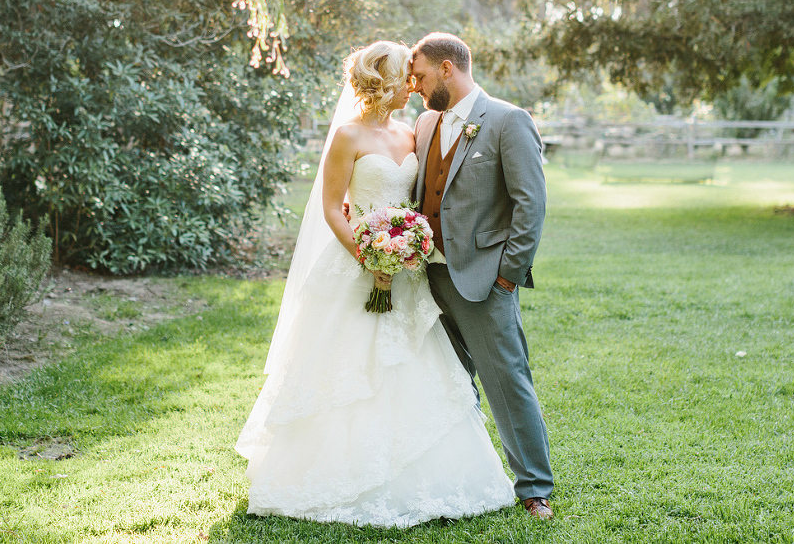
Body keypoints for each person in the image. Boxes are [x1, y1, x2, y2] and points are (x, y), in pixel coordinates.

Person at [236, 40, 514, 527]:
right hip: (355, 266)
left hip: (406, 274)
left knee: (410, 365)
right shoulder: (347, 137)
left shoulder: (412, 134)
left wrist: (405, 249)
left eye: (417, 76)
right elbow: (330, 208)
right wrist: (369, 256)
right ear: (383, 81)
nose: (414, 85)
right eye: (406, 77)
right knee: (347, 371)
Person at [409, 32, 555, 519]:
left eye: (422, 76)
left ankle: (534, 487)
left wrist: (508, 276)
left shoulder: (508, 121)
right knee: (447, 383)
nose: (416, 86)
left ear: (448, 69)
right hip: (427, 279)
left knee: (507, 381)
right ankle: (461, 477)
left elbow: (529, 205)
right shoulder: (426, 124)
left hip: (484, 280)